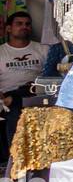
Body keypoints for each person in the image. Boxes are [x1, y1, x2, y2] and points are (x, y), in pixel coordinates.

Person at [1, 12, 49, 168]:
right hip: (7, 100)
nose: (24, 27)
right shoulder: (2, 52)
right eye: (19, 24)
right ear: (8, 28)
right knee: (14, 109)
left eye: (27, 24)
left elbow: (51, 76)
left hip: (37, 95)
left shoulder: (42, 49)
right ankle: (16, 163)